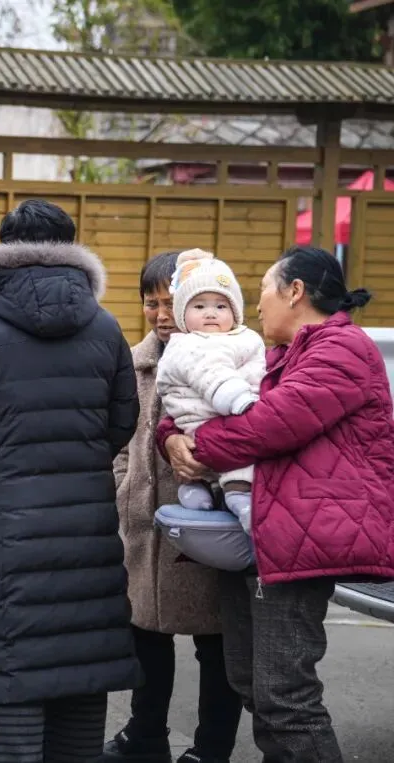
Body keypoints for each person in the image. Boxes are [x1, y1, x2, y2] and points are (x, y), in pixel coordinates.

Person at [159, 245, 394, 763]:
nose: (258, 302)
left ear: (295, 291)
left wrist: (195, 447)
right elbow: (194, 399)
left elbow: (271, 425)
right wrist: (170, 436)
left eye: (264, 289)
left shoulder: (342, 349)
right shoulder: (282, 353)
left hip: (298, 539)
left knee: (285, 697)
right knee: (250, 681)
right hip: (263, 532)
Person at [0, 199, 140, 762]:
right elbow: (123, 419)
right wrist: (80, 464)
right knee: (83, 669)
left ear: (3, 251)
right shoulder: (105, 327)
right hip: (87, 525)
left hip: (6, 529)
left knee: (16, 671)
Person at [97, 251, 242, 763]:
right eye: (150, 302)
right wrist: (123, 486)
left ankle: (212, 749)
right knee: (145, 633)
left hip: (208, 526)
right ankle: (145, 735)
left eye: (169, 302)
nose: (161, 314)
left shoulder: (230, 358)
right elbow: (118, 438)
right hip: (143, 526)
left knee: (216, 642)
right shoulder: (133, 362)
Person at [155, 249, 266, 532]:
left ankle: (232, 494)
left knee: (240, 470)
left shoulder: (247, 339)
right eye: (199, 306)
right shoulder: (188, 344)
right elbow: (209, 373)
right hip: (216, 411)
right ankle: (201, 487)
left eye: (220, 306)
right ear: (182, 314)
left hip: (238, 421)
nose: (210, 313)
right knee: (207, 462)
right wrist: (239, 399)